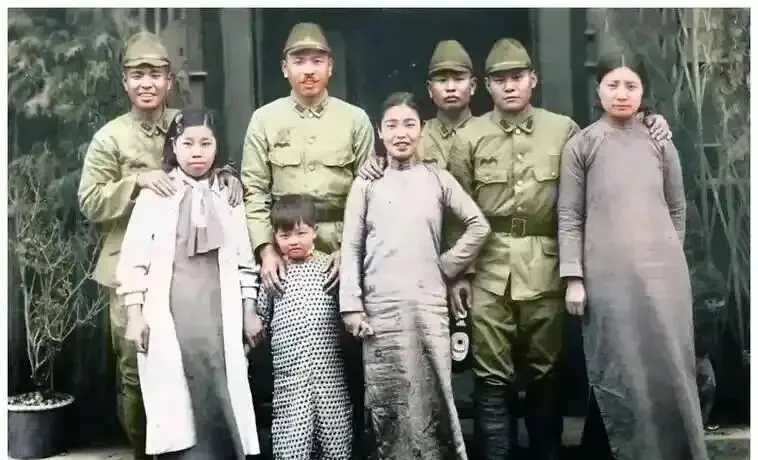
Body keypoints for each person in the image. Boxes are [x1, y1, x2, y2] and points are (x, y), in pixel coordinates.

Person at [448, 38, 673, 460]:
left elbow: (584, 194)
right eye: (500, 79)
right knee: (491, 375)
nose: (509, 86)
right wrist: (460, 273)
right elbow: (455, 211)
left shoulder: (564, 130)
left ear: (533, 80)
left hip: (545, 266)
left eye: (517, 77)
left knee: (545, 371)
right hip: (488, 269)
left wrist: (651, 119)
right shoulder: (468, 137)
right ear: (487, 85)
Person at [77, 32, 242, 459]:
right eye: (137, 75)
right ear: (125, 81)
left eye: (155, 74)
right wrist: (136, 182)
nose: (146, 83)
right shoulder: (111, 138)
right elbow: (89, 200)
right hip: (129, 267)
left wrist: (227, 175)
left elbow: (206, 156)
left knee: (190, 367)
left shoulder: (184, 123)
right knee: (137, 369)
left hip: (187, 269)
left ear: (170, 79)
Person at [557, 50, 708, 460]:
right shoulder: (582, 144)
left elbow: (677, 207)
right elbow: (570, 215)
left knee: (669, 366)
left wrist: (667, 255)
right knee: (617, 364)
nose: (621, 94)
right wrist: (574, 278)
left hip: (663, 278)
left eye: (631, 86)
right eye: (613, 85)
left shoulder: (659, 142)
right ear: (598, 89)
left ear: (643, 91)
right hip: (608, 279)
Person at [240, 22, 374, 457]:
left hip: (340, 253)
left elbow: (368, 191)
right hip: (286, 253)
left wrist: (348, 253)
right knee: (287, 362)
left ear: (330, 66)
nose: (309, 70)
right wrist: (266, 249)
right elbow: (254, 191)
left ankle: (350, 448)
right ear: (285, 68)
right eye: (299, 61)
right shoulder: (265, 120)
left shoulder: (354, 120)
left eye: (317, 61)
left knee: (350, 358)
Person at [339, 92, 491, 460]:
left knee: (433, 392)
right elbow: (352, 247)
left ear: (422, 129)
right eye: (391, 125)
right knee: (387, 397)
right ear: (379, 131)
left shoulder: (437, 178)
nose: (400, 133)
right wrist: (352, 306)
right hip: (381, 310)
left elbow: (478, 225)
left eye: (409, 124)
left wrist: (446, 266)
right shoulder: (366, 184)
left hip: (428, 304)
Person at [115, 108, 260, 459]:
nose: (197, 152)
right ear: (174, 147)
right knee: (175, 398)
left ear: (217, 146)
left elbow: (244, 260)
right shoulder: (157, 194)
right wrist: (135, 315)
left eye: (205, 143)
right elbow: (134, 260)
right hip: (171, 316)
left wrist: (249, 310)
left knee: (222, 388)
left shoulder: (228, 195)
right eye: (188, 143)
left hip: (218, 316)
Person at [247, 194, 353, 460]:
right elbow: (262, 317)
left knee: (335, 439)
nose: (293, 241)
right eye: (285, 236)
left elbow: (348, 310)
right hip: (290, 373)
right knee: (292, 439)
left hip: (329, 369)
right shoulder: (274, 272)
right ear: (274, 236)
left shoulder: (329, 266)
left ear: (315, 231)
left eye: (301, 233)